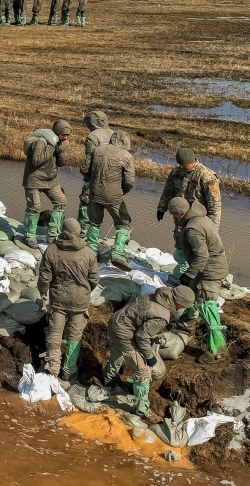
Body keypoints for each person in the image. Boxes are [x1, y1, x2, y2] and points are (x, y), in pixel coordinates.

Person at [102, 285, 197, 419]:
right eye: (183, 306)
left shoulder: (155, 294)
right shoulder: (162, 315)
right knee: (142, 371)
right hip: (124, 333)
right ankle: (141, 409)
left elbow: (140, 317)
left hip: (117, 321)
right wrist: (149, 356)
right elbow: (142, 337)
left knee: (118, 350)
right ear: (178, 302)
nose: (183, 309)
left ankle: (108, 378)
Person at [167, 196, 229, 363]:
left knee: (207, 306)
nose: (173, 218)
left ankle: (217, 347)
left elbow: (202, 255)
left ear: (180, 213)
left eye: (174, 215)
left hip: (210, 270)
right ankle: (184, 323)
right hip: (211, 266)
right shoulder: (202, 217)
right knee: (192, 294)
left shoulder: (193, 228)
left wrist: (189, 274)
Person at [37, 218, 100, 382]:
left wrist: (43, 291)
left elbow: (44, 276)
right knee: (74, 336)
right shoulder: (88, 253)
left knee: (55, 334)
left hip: (58, 300)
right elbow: (94, 279)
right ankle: (68, 371)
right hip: (80, 301)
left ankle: (52, 368)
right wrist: (85, 291)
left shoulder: (51, 250)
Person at [157, 148, 222, 282]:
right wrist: (162, 207)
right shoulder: (176, 173)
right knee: (180, 244)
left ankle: (190, 276)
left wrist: (212, 229)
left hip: (198, 221)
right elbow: (168, 191)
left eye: (184, 166)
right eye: (180, 165)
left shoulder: (207, 176)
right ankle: (182, 272)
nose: (181, 168)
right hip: (180, 218)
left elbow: (214, 205)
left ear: (192, 162)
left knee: (196, 248)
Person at [87, 130, 136, 270]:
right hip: (114, 196)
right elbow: (129, 180)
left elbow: (86, 169)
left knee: (94, 222)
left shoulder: (98, 150)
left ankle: (91, 251)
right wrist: (123, 191)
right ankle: (117, 253)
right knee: (123, 222)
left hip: (94, 192)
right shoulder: (126, 156)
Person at [22, 119, 72, 248]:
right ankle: (29, 236)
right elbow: (36, 161)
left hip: (51, 180)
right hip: (34, 179)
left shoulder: (63, 143)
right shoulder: (42, 141)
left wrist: (60, 152)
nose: (66, 137)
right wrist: (51, 147)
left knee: (61, 202)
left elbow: (61, 163)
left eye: (67, 135)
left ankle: (53, 235)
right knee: (35, 207)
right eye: (63, 134)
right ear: (57, 133)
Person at [78, 110, 114, 231]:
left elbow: (89, 161)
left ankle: (81, 232)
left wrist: (84, 172)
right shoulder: (115, 134)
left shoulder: (93, 136)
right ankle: (94, 237)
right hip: (113, 179)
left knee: (85, 202)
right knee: (104, 208)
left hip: (94, 178)